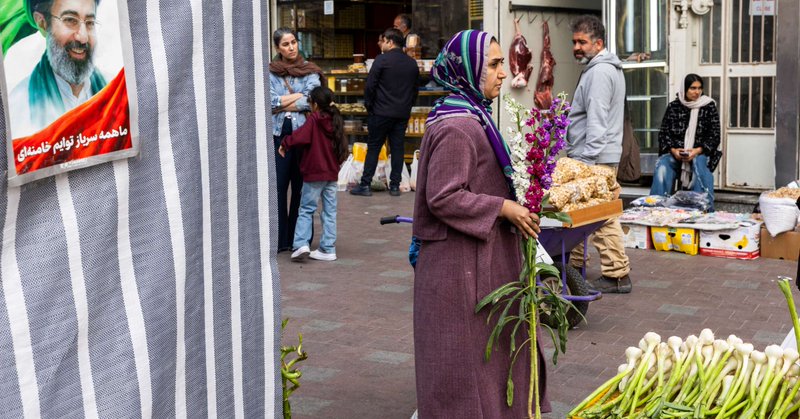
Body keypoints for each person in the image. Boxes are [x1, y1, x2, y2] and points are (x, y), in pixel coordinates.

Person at [412, 29, 550, 417]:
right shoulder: (460, 126)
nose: (502, 73)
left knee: (474, 356)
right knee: (465, 358)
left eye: (501, 63)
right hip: (461, 269)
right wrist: (505, 209)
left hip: (472, 259)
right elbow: (443, 196)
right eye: (492, 64)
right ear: (467, 70)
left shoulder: (470, 115)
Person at [566, 15, 632, 294]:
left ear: (598, 43)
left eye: (582, 42)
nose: (577, 47)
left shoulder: (600, 72)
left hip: (594, 157)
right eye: (574, 42)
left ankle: (617, 275)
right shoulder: (604, 69)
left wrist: (586, 163)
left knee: (601, 216)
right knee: (583, 213)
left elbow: (597, 117)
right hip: (597, 154)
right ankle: (576, 264)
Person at [10, 0, 107, 138]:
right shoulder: (18, 106)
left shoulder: (115, 89)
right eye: (70, 20)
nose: (83, 37)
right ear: (42, 23)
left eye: (90, 22)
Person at [279, 86, 348, 262]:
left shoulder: (315, 120)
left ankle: (301, 244)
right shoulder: (336, 119)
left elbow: (300, 136)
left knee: (306, 209)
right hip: (332, 173)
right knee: (329, 211)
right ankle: (328, 248)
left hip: (314, 172)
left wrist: (285, 143)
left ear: (315, 104)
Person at [269, 27, 322, 252]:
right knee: (279, 187)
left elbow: (312, 100)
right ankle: (280, 240)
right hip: (278, 135)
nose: (291, 48)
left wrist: (283, 102)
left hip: (304, 136)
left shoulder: (310, 70)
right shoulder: (270, 72)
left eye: (293, 42)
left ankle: (299, 240)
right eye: (285, 44)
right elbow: (268, 101)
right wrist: (297, 97)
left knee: (302, 189)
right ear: (277, 48)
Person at [350, 28, 418, 197]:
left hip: (380, 113)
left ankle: (365, 185)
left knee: (373, 147)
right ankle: (395, 186)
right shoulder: (411, 63)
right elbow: (414, 90)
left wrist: (370, 107)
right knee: (397, 148)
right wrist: (407, 107)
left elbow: (370, 86)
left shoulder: (381, 60)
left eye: (383, 41)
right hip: (401, 113)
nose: (381, 44)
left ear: (390, 41)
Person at [650, 74, 721, 211]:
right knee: (663, 165)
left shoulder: (708, 106)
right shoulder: (674, 107)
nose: (697, 92)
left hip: (700, 152)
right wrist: (674, 150)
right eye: (692, 88)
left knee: (698, 163)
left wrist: (697, 150)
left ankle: (700, 208)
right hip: (677, 154)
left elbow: (715, 135)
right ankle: (657, 207)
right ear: (685, 89)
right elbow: (664, 133)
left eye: (699, 88)